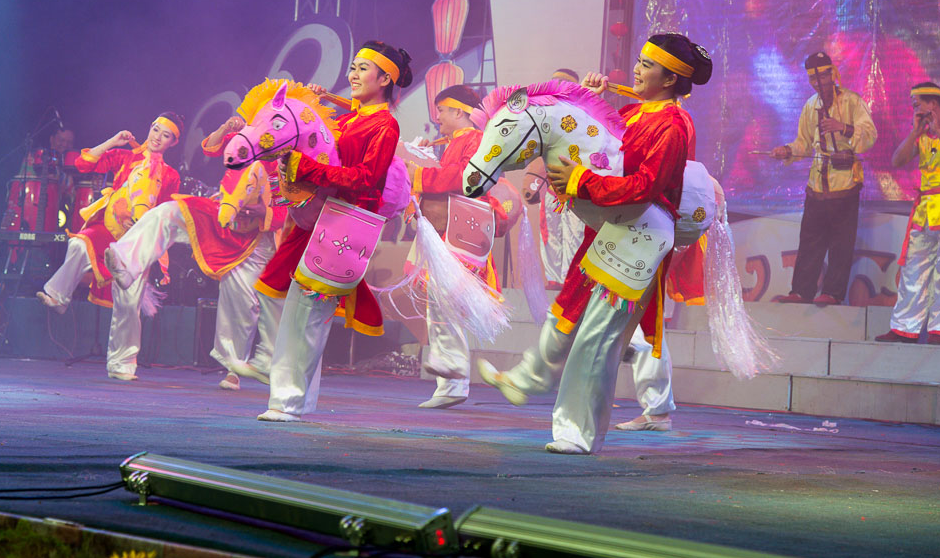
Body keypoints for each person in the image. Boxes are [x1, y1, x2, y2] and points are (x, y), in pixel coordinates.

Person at [481, 33, 711, 454]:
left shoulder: (673, 125)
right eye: (639, 61)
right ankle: (545, 395)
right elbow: (596, 142)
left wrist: (580, 181)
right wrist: (585, 100)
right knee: (578, 318)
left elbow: (645, 187)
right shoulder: (637, 114)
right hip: (613, 229)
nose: (637, 69)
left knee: (598, 337)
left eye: (647, 64)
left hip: (638, 237)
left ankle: (578, 431)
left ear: (670, 77)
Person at [256, 41, 411, 422]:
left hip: (347, 224)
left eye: (361, 68)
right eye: (353, 67)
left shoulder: (385, 125)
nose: (352, 75)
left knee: (309, 312)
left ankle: (287, 402)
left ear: (385, 78)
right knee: (297, 311)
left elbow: (367, 180)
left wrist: (306, 169)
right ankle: (295, 400)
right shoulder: (349, 119)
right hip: (321, 220)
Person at [104, 115, 285, 389]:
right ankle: (126, 260)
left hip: (255, 238)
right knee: (168, 212)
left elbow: (293, 211)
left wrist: (265, 212)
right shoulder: (246, 142)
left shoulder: (287, 165)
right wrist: (226, 128)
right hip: (220, 214)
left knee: (241, 305)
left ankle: (233, 369)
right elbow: (210, 147)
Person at [37, 113, 182, 380]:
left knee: (128, 304)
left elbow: (166, 215)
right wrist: (113, 141)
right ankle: (58, 295)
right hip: (109, 227)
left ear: (173, 142)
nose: (156, 137)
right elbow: (82, 163)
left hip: (137, 240)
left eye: (165, 135)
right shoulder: (126, 158)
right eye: (155, 129)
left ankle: (122, 364)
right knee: (80, 244)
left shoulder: (171, 176)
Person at [408, 84, 497, 409]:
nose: (438, 117)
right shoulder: (457, 142)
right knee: (441, 295)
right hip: (453, 225)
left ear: (460, 111)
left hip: (462, 226)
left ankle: (453, 368)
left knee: (446, 295)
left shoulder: (473, 140)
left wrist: (421, 171)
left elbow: (465, 177)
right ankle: (451, 379)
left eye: (443, 110)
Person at [770, 52, 877, 305]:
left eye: (823, 76)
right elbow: (804, 144)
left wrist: (844, 128)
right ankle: (800, 291)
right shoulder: (810, 106)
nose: (819, 83)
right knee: (810, 240)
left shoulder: (852, 101)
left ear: (832, 75)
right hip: (817, 184)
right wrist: (787, 151)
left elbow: (870, 134)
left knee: (841, 242)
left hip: (845, 185)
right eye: (813, 79)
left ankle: (833, 293)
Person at [876, 82, 940, 344]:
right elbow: (897, 160)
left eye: (917, 102)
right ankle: (904, 329)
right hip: (926, 212)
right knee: (913, 270)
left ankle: (939, 331)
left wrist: (938, 132)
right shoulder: (920, 135)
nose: (914, 107)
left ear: (933, 104)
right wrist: (915, 131)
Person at [523, 69, 588, 288]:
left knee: (575, 236)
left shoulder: (584, 115)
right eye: (553, 83)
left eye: (561, 83)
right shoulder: (545, 117)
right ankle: (554, 284)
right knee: (549, 234)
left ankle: (571, 285)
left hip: (575, 187)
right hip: (552, 188)